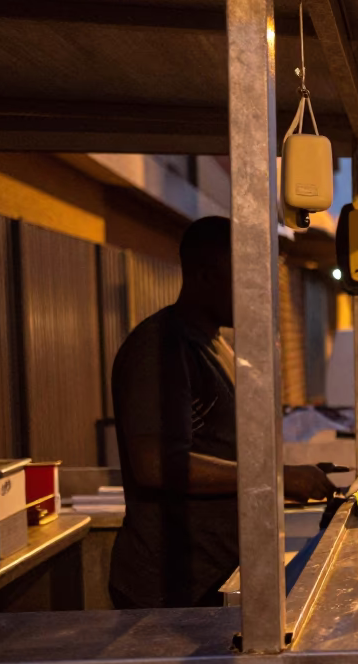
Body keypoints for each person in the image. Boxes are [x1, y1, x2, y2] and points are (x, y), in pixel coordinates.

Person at [108, 216, 336, 609]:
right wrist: (276, 478)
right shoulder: (160, 348)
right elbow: (155, 464)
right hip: (171, 589)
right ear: (204, 274)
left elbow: (221, 448)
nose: (257, 289)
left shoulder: (217, 345)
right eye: (243, 275)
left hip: (218, 571)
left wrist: (293, 477)